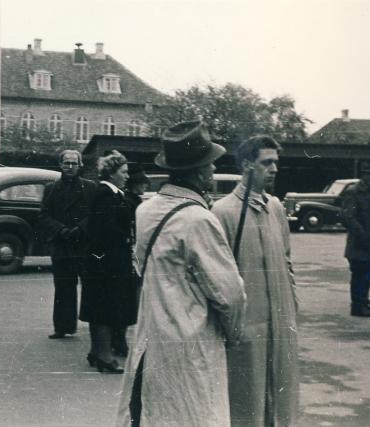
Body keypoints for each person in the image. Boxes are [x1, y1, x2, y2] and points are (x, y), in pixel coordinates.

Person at [116, 121, 246, 427]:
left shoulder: (145, 210)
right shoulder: (198, 219)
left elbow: (140, 266)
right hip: (192, 340)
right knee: (194, 412)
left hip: (152, 337)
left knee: (154, 412)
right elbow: (229, 294)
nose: (213, 170)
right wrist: (233, 333)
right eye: (210, 164)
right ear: (199, 171)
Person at [212, 135, 299, 426]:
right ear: (247, 164)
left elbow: (287, 260)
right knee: (246, 403)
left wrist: (292, 307)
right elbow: (217, 278)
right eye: (267, 162)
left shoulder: (275, 207)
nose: (274, 168)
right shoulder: (223, 211)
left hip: (281, 323)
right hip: (246, 328)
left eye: (276, 162)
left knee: (281, 401)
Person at [81, 150, 137, 373]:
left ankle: (97, 352)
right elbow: (105, 230)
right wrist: (126, 241)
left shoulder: (111, 193)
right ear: (112, 173)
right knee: (105, 307)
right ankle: (104, 356)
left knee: (100, 306)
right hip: (107, 261)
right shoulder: (106, 194)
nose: (127, 176)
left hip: (105, 259)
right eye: (123, 172)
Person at [39, 150, 97, 339]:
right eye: (66, 163)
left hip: (84, 245)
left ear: (80, 166)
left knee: (90, 287)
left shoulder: (90, 188)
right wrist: (61, 229)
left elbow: (95, 214)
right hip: (61, 245)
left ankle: (96, 326)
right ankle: (63, 327)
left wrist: (80, 228)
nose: (70, 167)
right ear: (60, 165)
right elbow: (44, 215)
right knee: (63, 287)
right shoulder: (51, 188)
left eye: (73, 163)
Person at [110, 163, 149, 358]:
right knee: (125, 300)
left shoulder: (131, 200)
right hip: (128, 254)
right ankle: (118, 340)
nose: (145, 187)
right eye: (142, 183)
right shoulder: (132, 202)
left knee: (124, 299)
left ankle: (117, 338)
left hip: (127, 253)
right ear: (136, 184)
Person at [341, 160, 370, 317]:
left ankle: (363, 301)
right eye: (368, 174)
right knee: (359, 274)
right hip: (359, 242)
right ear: (363, 175)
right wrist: (363, 235)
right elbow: (348, 217)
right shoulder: (353, 191)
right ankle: (357, 306)